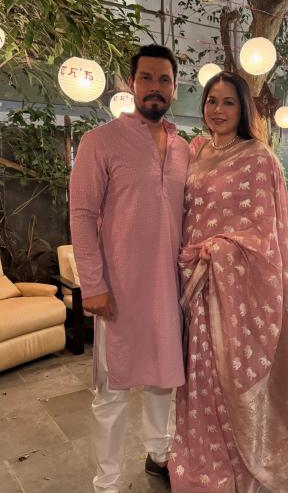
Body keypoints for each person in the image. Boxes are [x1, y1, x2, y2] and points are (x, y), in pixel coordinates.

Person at [168, 72, 288, 493]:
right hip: (196, 287)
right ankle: (201, 458)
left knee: (228, 376)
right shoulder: (195, 150)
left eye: (228, 102)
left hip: (235, 291)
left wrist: (219, 251)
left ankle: (238, 464)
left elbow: (265, 236)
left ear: (243, 108)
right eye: (212, 100)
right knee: (198, 379)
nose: (218, 110)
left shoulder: (258, 157)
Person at [69, 44, 190, 493]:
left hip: (168, 290)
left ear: (175, 87)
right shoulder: (99, 141)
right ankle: (108, 481)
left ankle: (159, 454)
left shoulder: (184, 149)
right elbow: (82, 215)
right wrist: (93, 285)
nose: (155, 87)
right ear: (131, 83)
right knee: (113, 389)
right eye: (147, 78)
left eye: (164, 79)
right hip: (117, 290)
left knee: (163, 379)